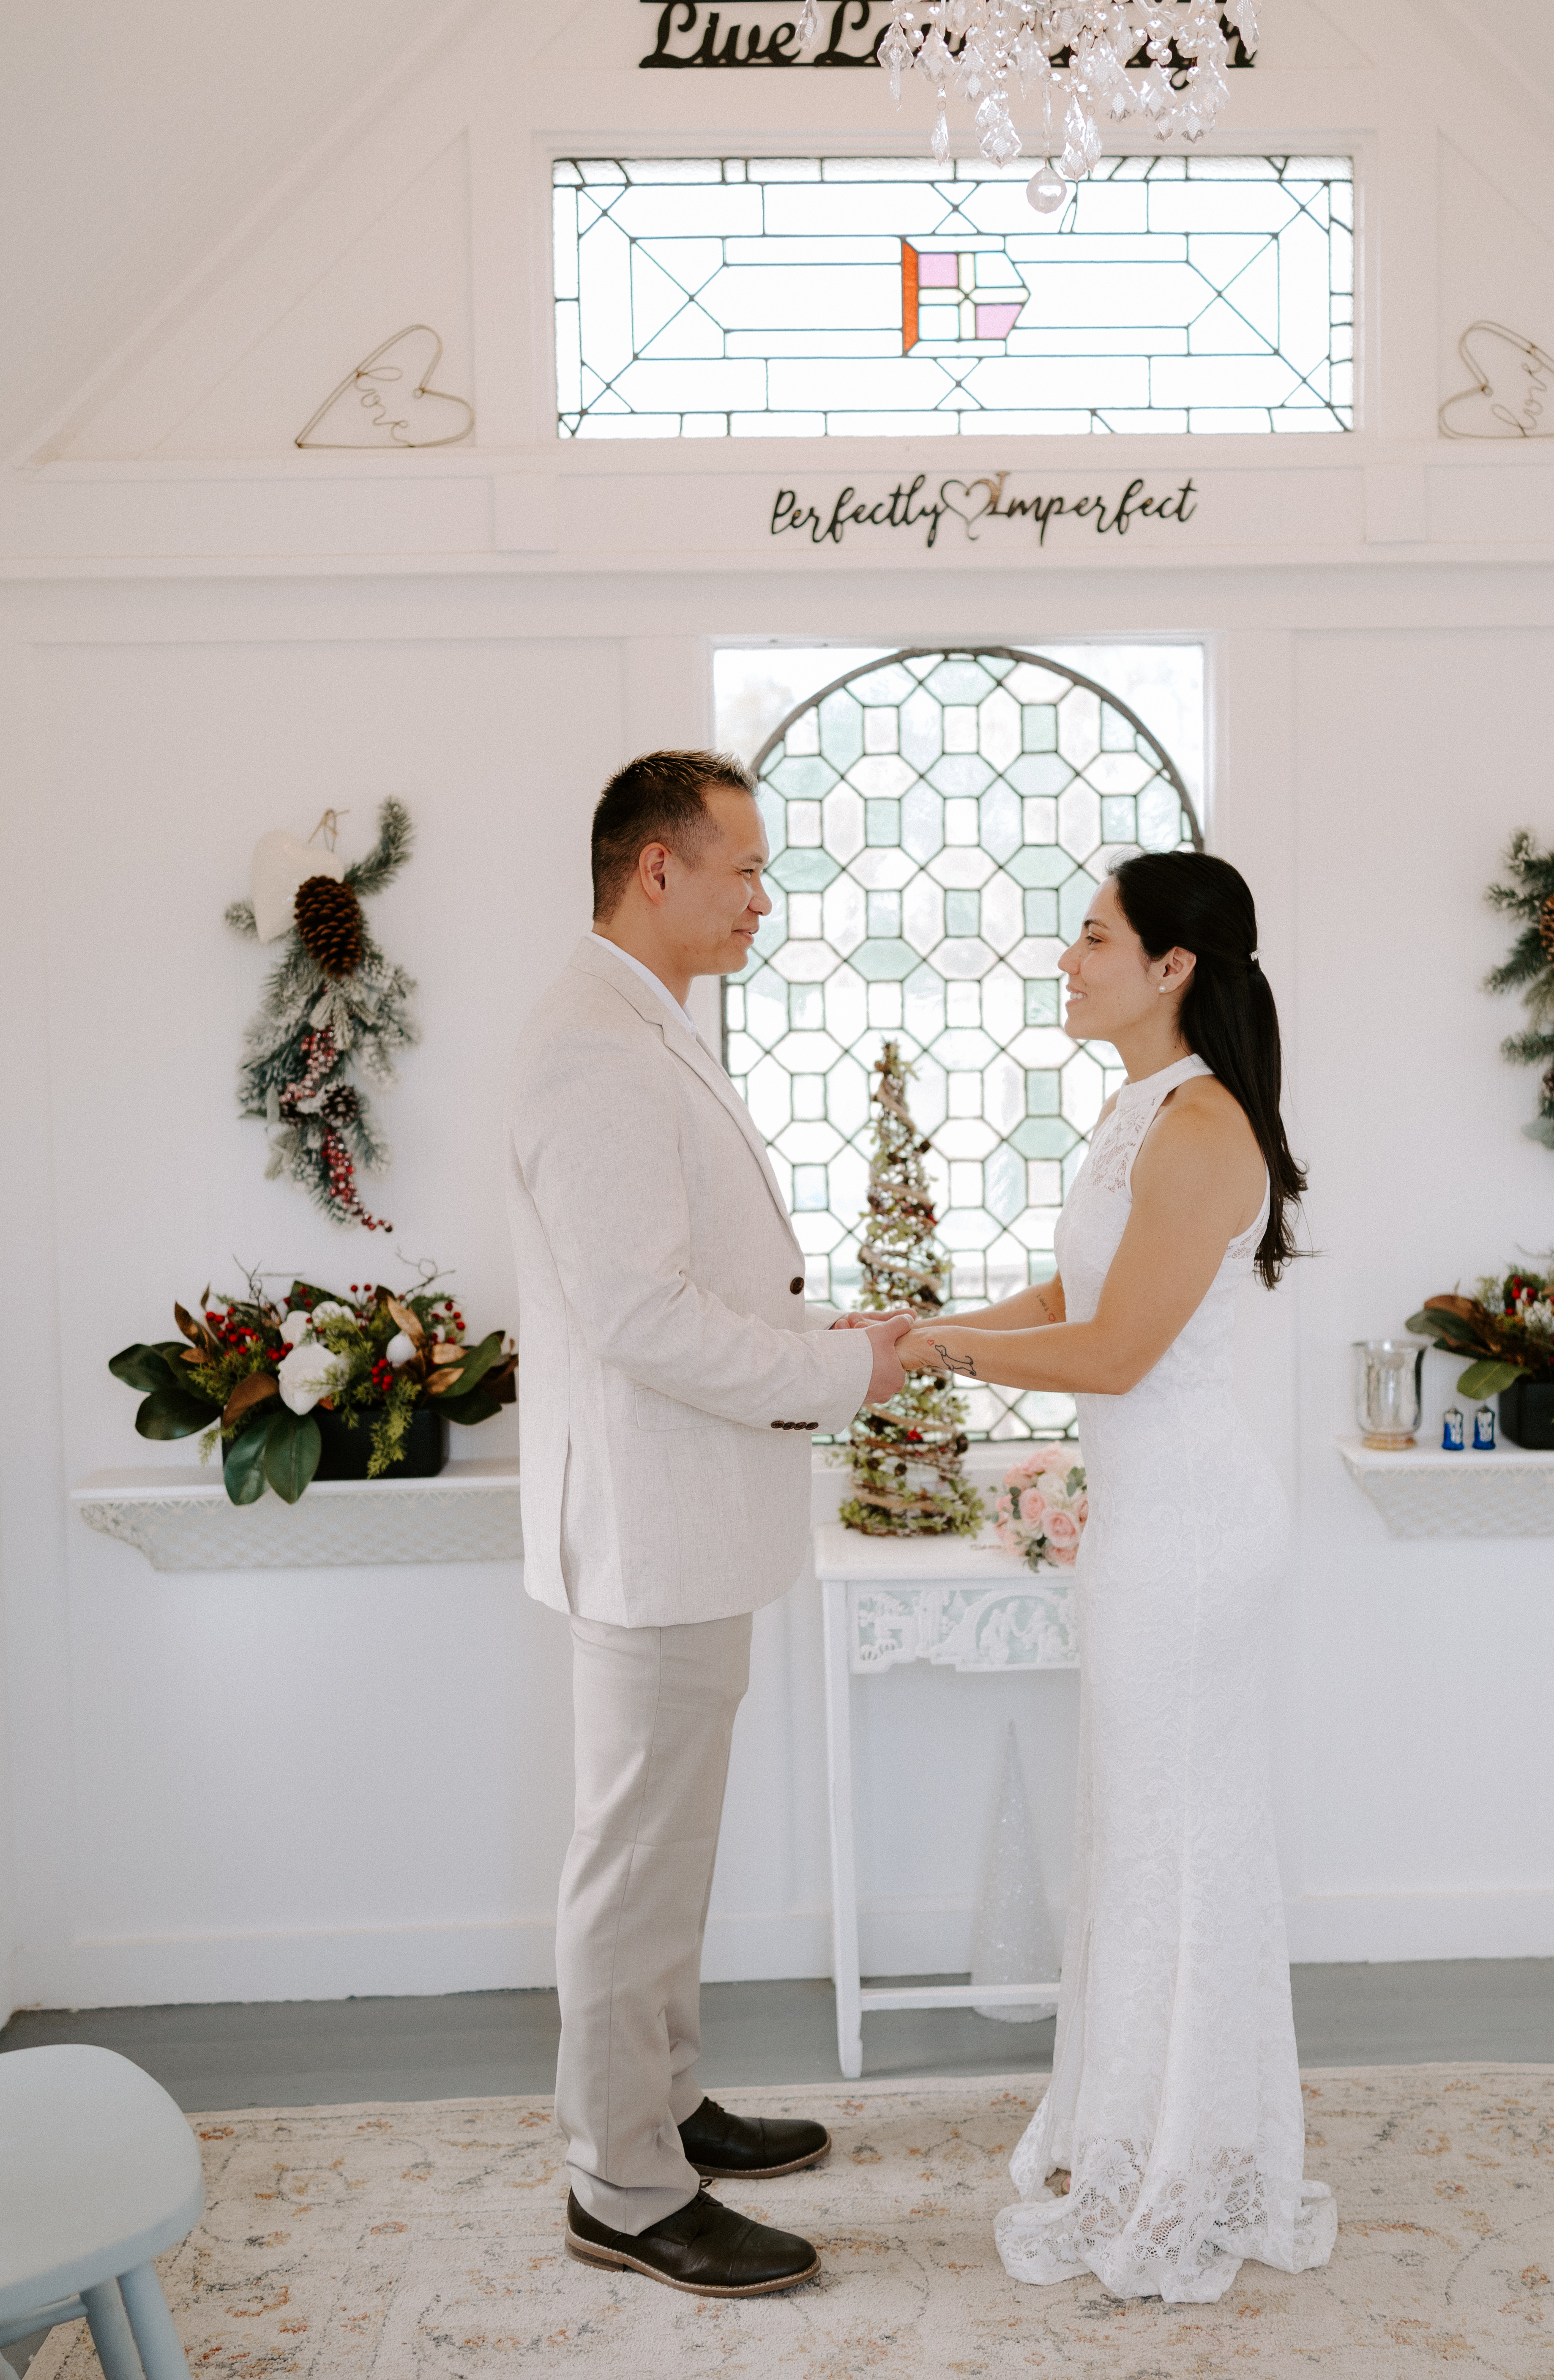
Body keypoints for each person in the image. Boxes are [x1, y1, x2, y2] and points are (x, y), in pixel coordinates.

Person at [897, 848, 1336, 2304]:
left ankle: (1195, 2158)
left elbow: (1116, 1353)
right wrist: (929, 1326)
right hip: (1150, 1525)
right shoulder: (1134, 1110)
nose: (1066, 958)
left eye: (1093, 937)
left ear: (1173, 970)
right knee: (1143, 1833)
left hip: (1198, 1532)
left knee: (1181, 1843)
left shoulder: (1207, 1126)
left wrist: (954, 1357)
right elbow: (1069, 1299)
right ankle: (1145, 2132)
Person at [505, 750, 912, 2298]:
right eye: (743, 867)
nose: (764, 896)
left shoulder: (639, 1024)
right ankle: (619, 2184)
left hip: (691, 1523)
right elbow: (640, 1317)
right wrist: (831, 1372)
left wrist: (827, 1342)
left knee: (667, 1852)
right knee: (635, 1861)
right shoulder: (592, 1046)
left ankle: (666, 2102)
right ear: (654, 870)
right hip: (649, 1530)